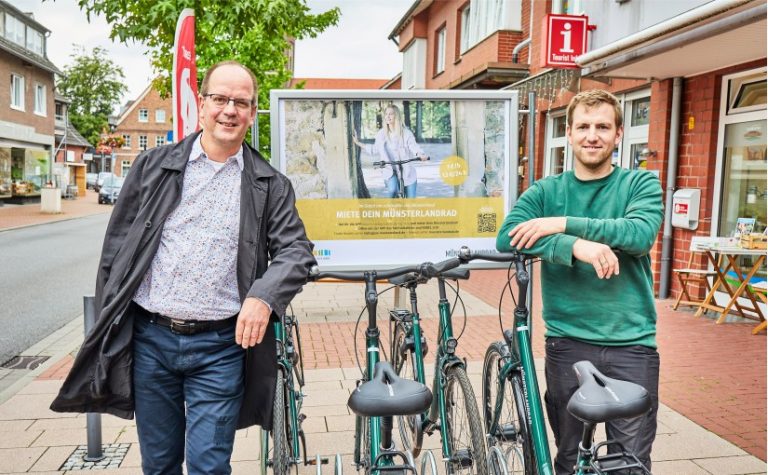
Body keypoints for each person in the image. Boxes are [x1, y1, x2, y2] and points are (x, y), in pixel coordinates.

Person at [51, 60, 316, 474]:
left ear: (252, 111)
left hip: (221, 347)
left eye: (241, 102)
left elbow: (296, 250)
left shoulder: (270, 184)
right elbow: (116, 252)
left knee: (209, 466)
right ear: (202, 101)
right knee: (159, 465)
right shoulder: (152, 167)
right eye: (221, 99)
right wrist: (108, 321)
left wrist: (263, 297)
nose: (230, 110)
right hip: (151, 341)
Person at [496, 89, 663, 474]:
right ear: (569, 133)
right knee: (570, 460)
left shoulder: (639, 185)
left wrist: (563, 224)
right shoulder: (546, 191)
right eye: (584, 126)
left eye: (603, 127)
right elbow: (508, 236)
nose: (593, 135)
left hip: (632, 344)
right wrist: (576, 247)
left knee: (630, 464)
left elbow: (638, 235)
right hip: (567, 343)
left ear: (618, 134)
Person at [352, 104, 429, 198]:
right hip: (390, 170)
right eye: (386, 114)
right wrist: (357, 142)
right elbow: (374, 149)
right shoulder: (381, 134)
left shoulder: (406, 133)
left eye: (391, 114)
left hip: (407, 171)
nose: (388, 116)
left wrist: (420, 154)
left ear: (396, 116)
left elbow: (413, 146)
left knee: (411, 202)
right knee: (393, 190)